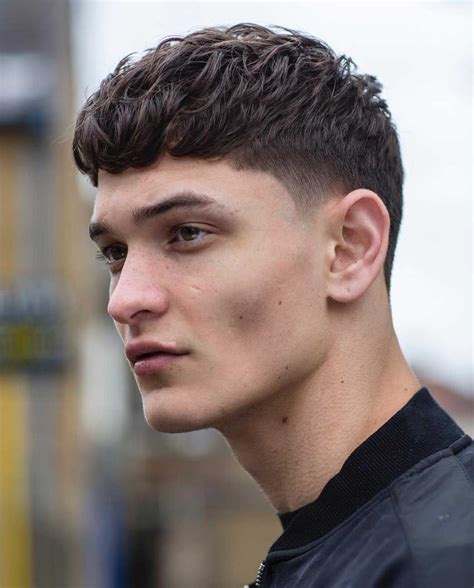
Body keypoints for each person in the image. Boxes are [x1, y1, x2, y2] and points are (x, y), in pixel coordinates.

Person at [73, 24, 473, 587]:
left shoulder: (439, 563)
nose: (125, 299)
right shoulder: (356, 543)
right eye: (115, 252)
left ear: (349, 248)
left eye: (187, 233)